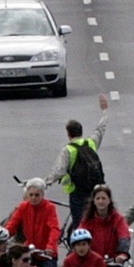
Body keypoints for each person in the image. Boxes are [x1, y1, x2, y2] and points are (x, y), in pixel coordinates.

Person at [45, 93, 109, 229]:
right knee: (94, 221)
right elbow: (101, 129)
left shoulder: (68, 149)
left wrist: (46, 182)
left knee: (79, 224)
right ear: (81, 131)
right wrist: (105, 111)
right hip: (95, 191)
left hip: (77, 193)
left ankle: (79, 245)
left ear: (68, 134)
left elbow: (59, 171)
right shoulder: (91, 143)